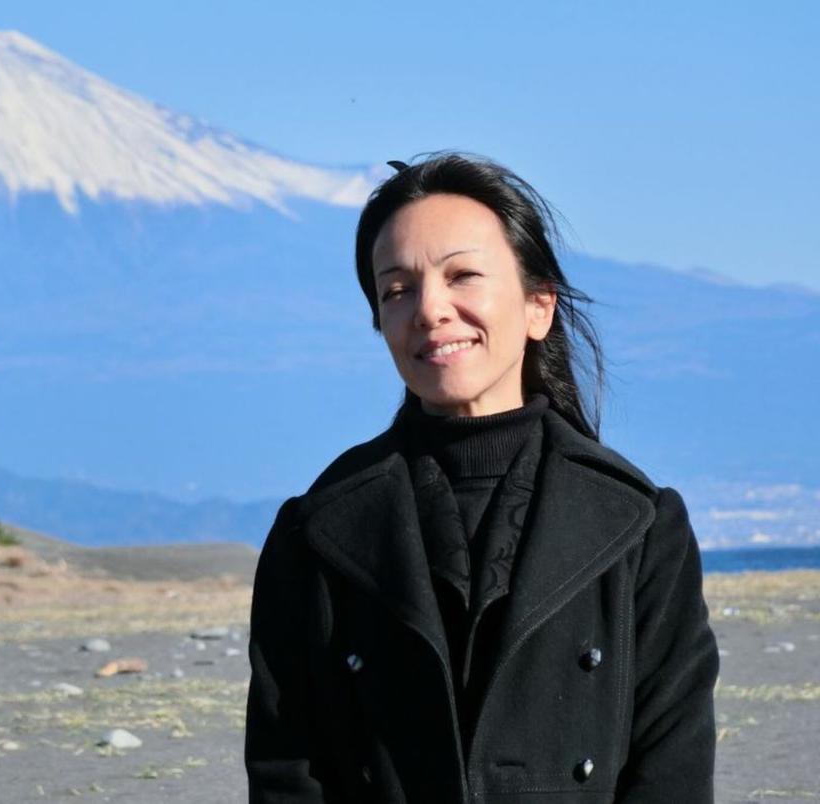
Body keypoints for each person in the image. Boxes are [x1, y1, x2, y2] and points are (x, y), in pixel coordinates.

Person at [244, 152, 718, 802]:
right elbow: (287, 775)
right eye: (396, 290)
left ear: (538, 306)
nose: (430, 309)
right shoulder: (318, 530)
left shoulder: (639, 526)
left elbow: (671, 775)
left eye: (462, 275)